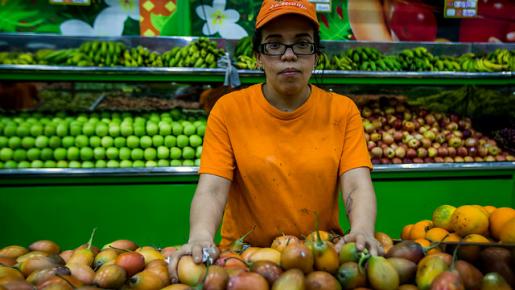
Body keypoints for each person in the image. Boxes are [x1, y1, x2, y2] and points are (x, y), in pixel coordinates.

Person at [169, 0, 382, 281]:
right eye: (274, 44)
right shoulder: (229, 110)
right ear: (258, 56)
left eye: (302, 43)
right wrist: (200, 235)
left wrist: (363, 229)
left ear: (316, 55)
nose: (289, 55)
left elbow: (356, 184)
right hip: (244, 260)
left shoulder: (342, 111)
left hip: (318, 258)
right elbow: (212, 189)